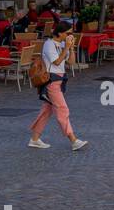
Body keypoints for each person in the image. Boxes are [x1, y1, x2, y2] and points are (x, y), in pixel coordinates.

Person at [28, 21, 88, 152]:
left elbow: (71, 62)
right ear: (60, 33)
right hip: (51, 81)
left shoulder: (61, 44)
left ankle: (35, 139)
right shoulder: (49, 44)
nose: (70, 35)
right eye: (68, 33)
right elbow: (57, 62)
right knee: (62, 109)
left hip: (59, 80)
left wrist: (71, 48)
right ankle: (73, 140)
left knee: (47, 111)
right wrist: (66, 47)